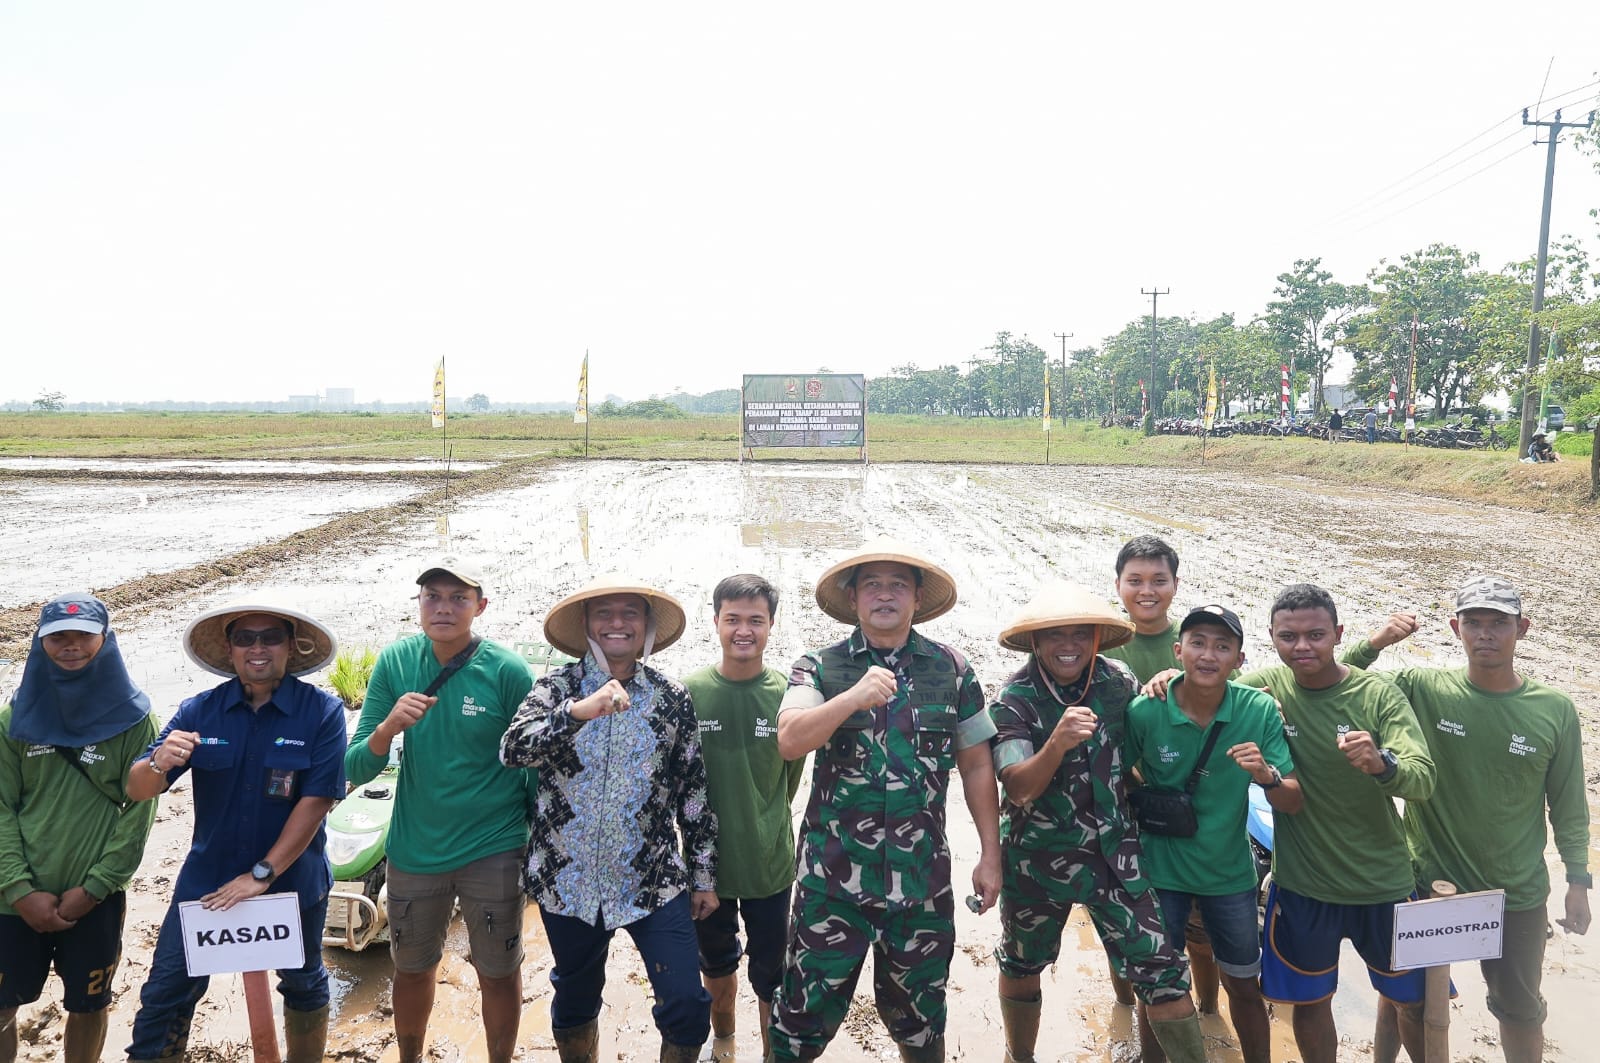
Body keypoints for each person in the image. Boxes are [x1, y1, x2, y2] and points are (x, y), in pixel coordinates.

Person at [770, 538, 1001, 1063]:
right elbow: (789, 737)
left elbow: (978, 764)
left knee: (921, 1026)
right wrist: (852, 697)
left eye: (898, 584)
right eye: (872, 584)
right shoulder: (819, 666)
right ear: (853, 599)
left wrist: (991, 853)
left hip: (920, 886)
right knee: (799, 1027)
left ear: (918, 598)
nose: (885, 595)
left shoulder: (953, 670)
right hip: (831, 886)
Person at [1373, 576, 1591, 1063]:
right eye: (1474, 622)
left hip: (1514, 891)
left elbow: (1570, 804)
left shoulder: (1553, 710)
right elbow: (1339, 688)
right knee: (1400, 997)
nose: (1486, 634)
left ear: (1523, 629)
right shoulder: (1421, 687)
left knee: (1519, 1008)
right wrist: (1374, 644)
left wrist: (1578, 879)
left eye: (1499, 623)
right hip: (1428, 881)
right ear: (1456, 628)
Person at [500, 575, 716, 1063]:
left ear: (646, 628)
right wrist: (577, 713)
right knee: (575, 1000)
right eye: (604, 613)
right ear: (587, 625)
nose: (617, 623)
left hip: (652, 878)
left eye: (629, 614)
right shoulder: (556, 688)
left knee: (685, 1002)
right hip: (568, 880)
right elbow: (512, 749)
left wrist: (703, 875)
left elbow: (693, 792)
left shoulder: (671, 698)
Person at [1219, 583, 1435, 1063]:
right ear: (1272, 638)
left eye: (1316, 635)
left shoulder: (1377, 694)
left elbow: (1423, 779)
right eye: (1288, 636)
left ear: (1337, 634)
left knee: (1414, 1002)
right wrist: (1167, 677)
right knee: (1311, 1006)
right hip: (1303, 883)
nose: (1302, 647)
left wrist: (1383, 763)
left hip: (1383, 882)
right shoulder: (1265, 688)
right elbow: (1205, 689)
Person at [990, 581, 1204, 1063]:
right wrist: (1057, 743)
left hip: (1117, 860)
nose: (1069, 646)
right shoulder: (1015, 699)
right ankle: (1018, 1056)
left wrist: (1172, 685)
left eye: (1079, 635)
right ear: (1036, 643)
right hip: (1036, 863)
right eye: (1055, 636)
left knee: (1162, 970)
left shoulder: (1118, 681)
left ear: (1094, 639)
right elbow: (1018, 787)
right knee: (1022, 960)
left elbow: (1155, 730)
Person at [125, 602, 347, 1063]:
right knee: (167, 989)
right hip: (209, 882)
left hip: (290, 882)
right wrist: (158, 760)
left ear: (291, 646)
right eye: (245, 638)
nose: (258, 648)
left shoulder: (321, 713)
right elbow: (138, 787)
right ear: (229, 649)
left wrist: (262, 874)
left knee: (303, 982)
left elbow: (317, 801)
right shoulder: (198, 711)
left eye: (270, 637)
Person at [345, 559, 535, 1063]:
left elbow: (534, 765)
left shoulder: (508, 671)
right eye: (433, 596)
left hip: (493, 847)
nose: (444, 608)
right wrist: (387, 728)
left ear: (481, 606)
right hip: (415, 849)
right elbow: (357, 768)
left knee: (498, 971)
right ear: (420, 604)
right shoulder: (396, 662)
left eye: (458, 597)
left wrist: (537, 843)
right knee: (411, 968)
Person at [1126, 605, 1303, 1063]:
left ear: (1239, 659)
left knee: (1244, 983)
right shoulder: (1146, 709)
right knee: (1160, 987)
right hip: (1161, 872)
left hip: (1229, 877)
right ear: (1178, 650)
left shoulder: (1258, 709)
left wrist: (1266, 776)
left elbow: (1292, 799)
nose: (1209, 654)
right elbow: (1116, 774)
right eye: (1199, 643)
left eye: (1223, 646)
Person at [1, 594, 158, 1063]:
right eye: (58, 637)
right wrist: (17, 888)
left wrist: (94, 888)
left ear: (104, 640)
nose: (72, 646)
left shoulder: (134, 722)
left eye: (84, 635)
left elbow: (138, 813)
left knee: (90, 1003)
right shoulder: (13, 723)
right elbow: (1, 808)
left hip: (93, 900)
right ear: (39, 643)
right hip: (11, 901)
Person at [682, 575, 806, 1063]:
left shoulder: (788, 696)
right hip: (706, 869)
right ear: (715, 622)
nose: (743, 630)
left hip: (769, 864)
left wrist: (764, 819)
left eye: (755, 620)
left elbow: (788, 779)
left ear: (771, 625)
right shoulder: (690, 692)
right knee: (716, 966)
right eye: (733, 619)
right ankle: (725, 1045)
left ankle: (771, 1053)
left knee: (771, 974)